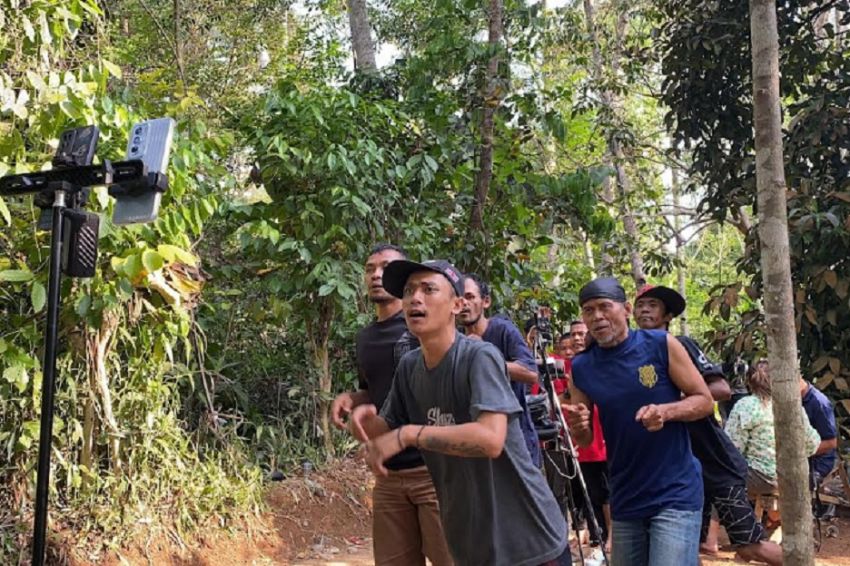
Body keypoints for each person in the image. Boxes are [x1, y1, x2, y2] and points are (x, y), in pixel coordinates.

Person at [349, 259, 570, 566]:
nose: (415, 297)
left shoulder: (479, 357)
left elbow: (491, 439)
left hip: (528, 541)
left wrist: (410, 435)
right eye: (410, 290)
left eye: (428, 289)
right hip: (470, 544)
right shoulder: (409, 367)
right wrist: (360, 417)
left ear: (456, 305)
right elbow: (384, 430)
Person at [565, 277, 713, 566]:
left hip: (675, 489)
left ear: (627, 310)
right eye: (588, 310)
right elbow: (584, 438)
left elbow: (705, 400)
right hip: (625, 494)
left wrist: (666, 412)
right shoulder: (582, 367)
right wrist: (580, 428)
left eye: (605, 307)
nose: (597, 316)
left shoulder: (660, 344)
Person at [633, 284, 782, 565]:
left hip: (715, 465)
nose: (644, 310)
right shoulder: (636, 356)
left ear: (668, 315)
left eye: (652, 305)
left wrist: (672, 404)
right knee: (688, 546)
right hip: (678, 471)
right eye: (640, 305)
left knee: (750, 547)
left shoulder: (681, 345)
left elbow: (722, 389)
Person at [330, 245, 452, 566]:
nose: (376, 275)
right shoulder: (365, 338)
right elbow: (374, 391)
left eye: (385, 267)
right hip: (388, 475)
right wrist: (352, 400)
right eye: (370, 269)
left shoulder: (423, 327)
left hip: (434, 471)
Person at [459, 273, 542, 467]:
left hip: (518, 439)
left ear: (485, 301)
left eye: (470, 297)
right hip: (480, 443)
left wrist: (485, 357)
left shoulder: (502, 330)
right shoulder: (456, 341)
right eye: (459, 298)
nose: (464, 303)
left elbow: (531, 373)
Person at [726, 361, 821, 502]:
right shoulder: (793, 406)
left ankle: (714, 523)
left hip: (761, 478)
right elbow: (813, 443)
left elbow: (732, 449)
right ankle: (772, 519)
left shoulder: (745, 405)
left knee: (719, 480)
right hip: (791, 476)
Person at [799, 376, 838, 487]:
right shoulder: (794, 400)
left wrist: (801, 454)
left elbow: (831, 443)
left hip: (819, 460)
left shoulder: (820, 403)